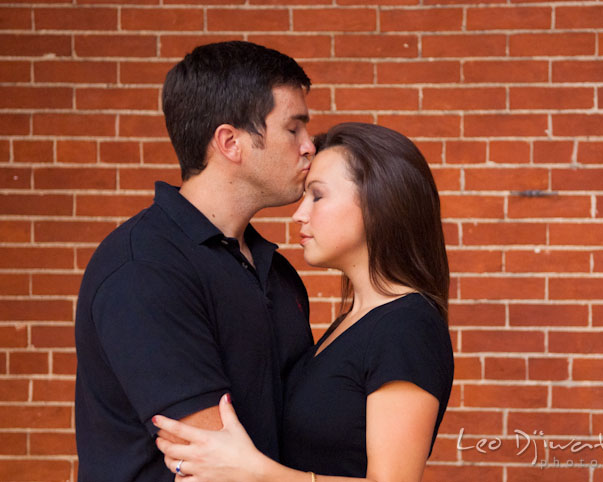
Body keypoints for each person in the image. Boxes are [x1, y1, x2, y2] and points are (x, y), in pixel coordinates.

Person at [152, 122, 455, 482]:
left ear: (379, 202)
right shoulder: (353, 322)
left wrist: (255, 473)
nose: (299, 214)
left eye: (318, 195)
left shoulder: (408, 327)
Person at [74, 40, 317, 481]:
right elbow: (217, 469)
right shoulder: (144, 269)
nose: (309, 147)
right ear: (230, 142)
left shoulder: (275, 271)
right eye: (293, 129)